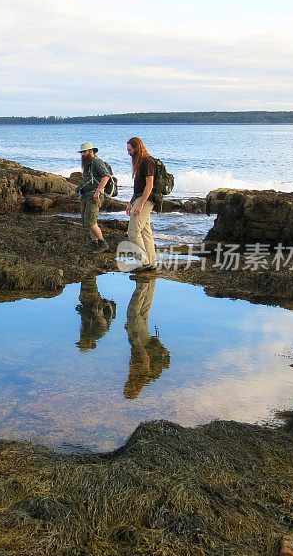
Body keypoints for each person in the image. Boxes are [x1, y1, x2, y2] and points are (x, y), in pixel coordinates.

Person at [123, 277, 170, 399]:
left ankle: (151, 281)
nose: (125, 386)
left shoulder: (142, 379)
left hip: (146, 340)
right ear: (132, 387)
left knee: (143, 311)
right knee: (132, 313)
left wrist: (129, 333)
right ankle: (143, 282)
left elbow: (134, 355)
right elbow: (146, 360)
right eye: (127, 388)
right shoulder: (140, 377)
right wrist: (138, 342)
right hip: (142, 341)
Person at [125, 137, 157, 271]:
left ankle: (143, 262)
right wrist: (131, 202)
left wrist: (140, 204)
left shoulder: (148, 162)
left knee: (133, 232)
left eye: (130, 150)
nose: (129, 153)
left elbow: (149, 186)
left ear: (137, 148)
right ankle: (151, 262)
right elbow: (138, 187)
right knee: (145, 231)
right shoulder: (140, 163)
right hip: (140, 198)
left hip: (146, 199)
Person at [75, 142, 111, 253]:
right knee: (89, 221)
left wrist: (98, 191)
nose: (83, 154)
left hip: (94, 196)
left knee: (90, 222)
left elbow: (106, 176)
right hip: (87, 195)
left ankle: (102, 243)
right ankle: (94, 243)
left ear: (91, 151)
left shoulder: (96, 162)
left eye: (84, 152)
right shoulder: (89, 163)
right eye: (82, 152)